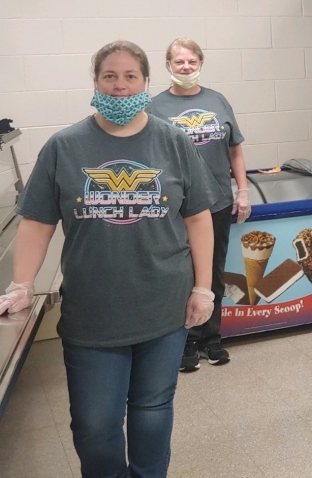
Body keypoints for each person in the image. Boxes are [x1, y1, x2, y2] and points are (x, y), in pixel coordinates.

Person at [0, 40, 220, 477]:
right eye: (110, 77)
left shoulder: (173, 142)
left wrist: (203, 288)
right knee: (94, 425)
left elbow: (197, 218)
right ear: (96, 81)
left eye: (130, 77)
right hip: (92, 313)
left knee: (153, 411)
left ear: (145, 82)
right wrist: (21, 284)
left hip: (163, 305)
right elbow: (37, 223)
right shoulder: (65, 146)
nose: (120, 86)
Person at [146, 38, 251, 370]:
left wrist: (243, 191)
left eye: (192, 62)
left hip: (217, 199)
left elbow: (234, 149)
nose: (186, 68)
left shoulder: (217, 100)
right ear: (168, 66)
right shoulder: (155, 107)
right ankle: (185, 341)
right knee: (183, 274)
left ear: (200, 64)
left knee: (213, 271)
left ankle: (212, 337)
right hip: (176, 207)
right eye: (179, 63)